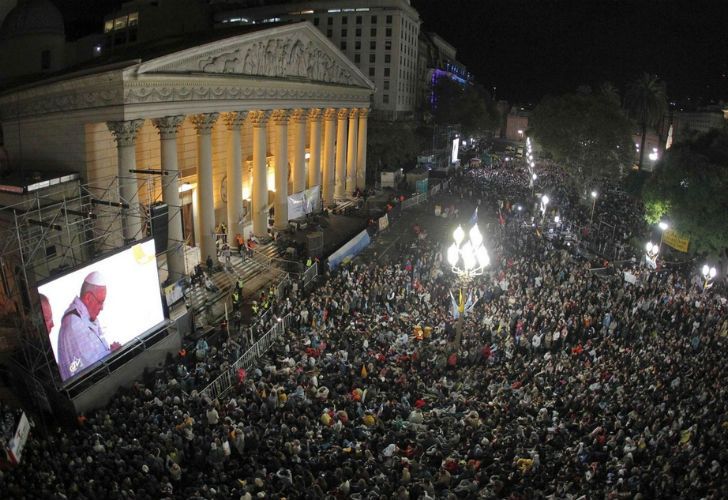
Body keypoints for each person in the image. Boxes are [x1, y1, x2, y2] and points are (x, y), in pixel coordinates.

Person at [57, 271, 119, 380]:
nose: (102, 307)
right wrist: (114, 354)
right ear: (88, 298)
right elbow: (90, 368)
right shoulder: (74, 324)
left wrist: (111, 352)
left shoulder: (86, 317)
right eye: (100, 302)